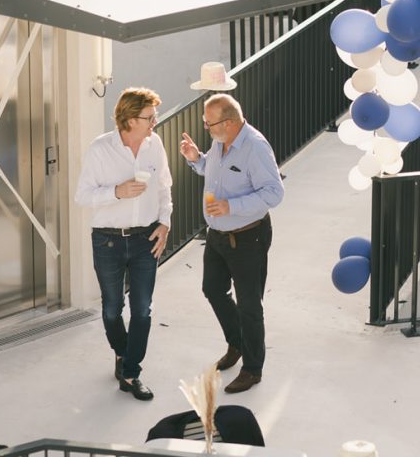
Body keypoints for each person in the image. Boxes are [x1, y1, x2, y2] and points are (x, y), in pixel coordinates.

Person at [178, 94, 284, 394]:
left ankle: (253, 369)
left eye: (208, 123)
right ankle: (237, 343)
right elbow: (212, 171)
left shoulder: (255, 147)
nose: (205, 127)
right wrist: (195, 158)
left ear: (228, 122)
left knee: (250, 304)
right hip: (217, 236)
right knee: (212, 289)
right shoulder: (219, 141)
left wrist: (231, 206)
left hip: (248, 236)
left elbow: (274, 194)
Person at [74, 87, 173, 401]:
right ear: (129, 119)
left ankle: (130, 373)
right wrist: (116, 192)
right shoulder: (100, 150)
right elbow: (83, 196)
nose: (154, 121)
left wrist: (165, 222)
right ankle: (121, 351)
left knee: (142, 310)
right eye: (149, 117)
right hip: (108, 242)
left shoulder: (154, 144)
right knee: (113, 309)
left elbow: (164, 187)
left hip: (146, 240)